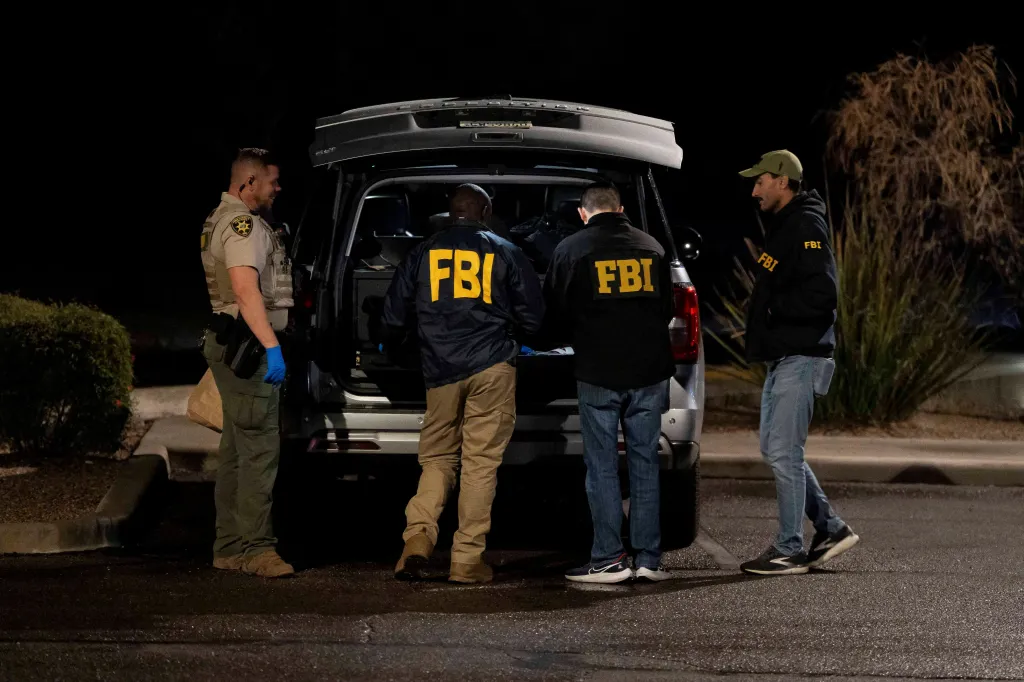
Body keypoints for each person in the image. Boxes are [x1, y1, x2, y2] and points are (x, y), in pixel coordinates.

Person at [383, 183, 544, 584]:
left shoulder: (423, 251)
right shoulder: (505, 250)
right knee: (479, 465)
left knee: (437, 460)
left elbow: (392, 314)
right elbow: (534, 318)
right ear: (485, 212)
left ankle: (417, 541)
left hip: (439, 372)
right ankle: (466, 561)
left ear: (450, 213)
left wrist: (400, 352)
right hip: (491, 367)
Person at [541, 182, 675, 583]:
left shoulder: (572, 249)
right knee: (644, 465)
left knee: (601, 467)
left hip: (599, 371)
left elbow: (554, 309)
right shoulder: (651, 246)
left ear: (584, 213)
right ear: (621, 208)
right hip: (650, 372)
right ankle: (649, 559)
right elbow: (667, 308)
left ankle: (608, 558)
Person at [737, 150, 860, 575]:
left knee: (785, 453)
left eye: (760, 182)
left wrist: (775, 314)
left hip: (802, 357)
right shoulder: (787, 226)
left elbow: (823, 293)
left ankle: (789, 548)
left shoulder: (806, 225)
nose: (754, 190)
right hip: (786, 356)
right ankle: (830, 528)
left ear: (782, 181)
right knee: (775, 449)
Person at [199, 147, 295, 578]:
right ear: (249, 183)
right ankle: (257, 550)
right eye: (272, 181)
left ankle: (229, 547)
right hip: (249, 349)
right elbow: (244, 289)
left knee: (236, 451)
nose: (278, 188)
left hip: (231, 343)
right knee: (259, 451)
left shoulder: (219, 218)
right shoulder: (243, 225)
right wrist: (271, 345)